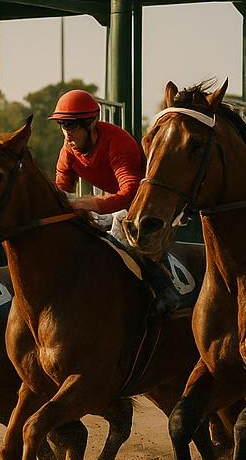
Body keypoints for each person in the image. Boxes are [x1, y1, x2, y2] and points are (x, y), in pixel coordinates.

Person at [50, 89, 182, 316]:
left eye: (70, 125)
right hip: (117, 207)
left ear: (90, 123)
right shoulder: (68, 150)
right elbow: (60, 194)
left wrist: (87, 203)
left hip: (148, 207)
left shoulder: (118, 143)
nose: (66, 133)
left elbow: (130, 194)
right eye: (62, 125)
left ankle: (164, 289)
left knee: (122, 225)